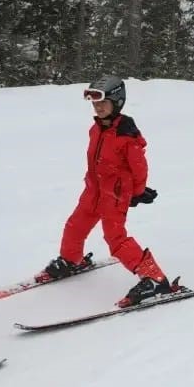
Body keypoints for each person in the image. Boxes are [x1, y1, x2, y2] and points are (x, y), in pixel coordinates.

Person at [36, 76, 167, 308]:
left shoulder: (126, 135)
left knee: (115, 238)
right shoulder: (96, 129)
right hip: (93, 190)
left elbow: (139, 167)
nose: (98, 107)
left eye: (103, 102)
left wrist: (137, 192)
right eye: (95, 103)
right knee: (75, 225)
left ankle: (154, 278)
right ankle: (71, 259)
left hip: (115, 195)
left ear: (117, 102)